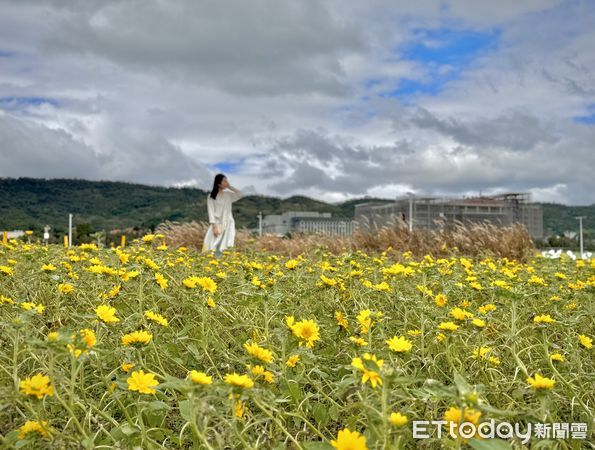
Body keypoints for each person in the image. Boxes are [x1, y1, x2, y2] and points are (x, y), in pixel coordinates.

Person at [202, 174, 242, 257]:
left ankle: (227, 261)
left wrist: (230, 187)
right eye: (224, 181)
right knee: (213, 242)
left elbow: (240, 194)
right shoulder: (211, 196)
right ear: (218, 183)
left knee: (228, 242)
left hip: (229, 222)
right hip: (217, 223)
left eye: (227, 181)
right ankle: (211, 260)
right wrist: (214, 226)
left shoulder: (228, 195)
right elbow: (211, 211)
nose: (226, 182)